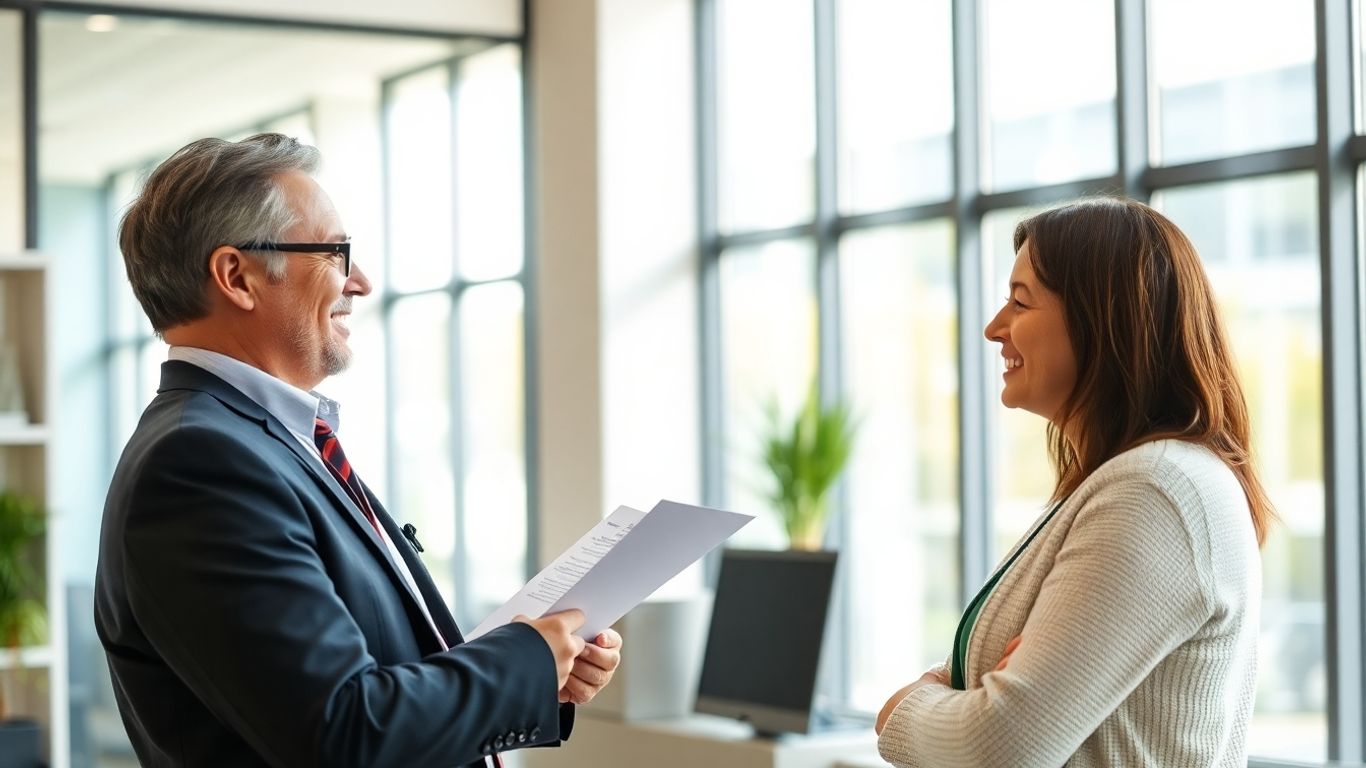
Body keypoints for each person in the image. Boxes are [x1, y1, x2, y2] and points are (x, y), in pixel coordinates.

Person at [94, 133, 622, 768]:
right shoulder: (200, 465)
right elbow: (344, 731)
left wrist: (538, 675)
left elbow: (369, 681)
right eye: (336, 252)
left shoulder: (263, 440)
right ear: (237, 276)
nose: (361, 282)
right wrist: (526, 658)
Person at [874, 197, 1272, 767]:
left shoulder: (1155, 492)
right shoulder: (1125, 482)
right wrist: (978, 691)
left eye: (1019, 302)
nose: (993, 329)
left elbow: (999, 747)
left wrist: (904, 708)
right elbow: (991, 704)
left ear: (1101, 318)